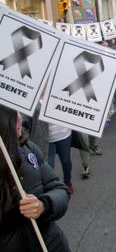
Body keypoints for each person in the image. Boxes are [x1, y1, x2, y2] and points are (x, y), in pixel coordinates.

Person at [0, 105, 70, 251]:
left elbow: (58, 188)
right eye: (11, 113)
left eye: (18, 110)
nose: (20, 117)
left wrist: (43, 205)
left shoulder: (27, 147)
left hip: (52, 243)